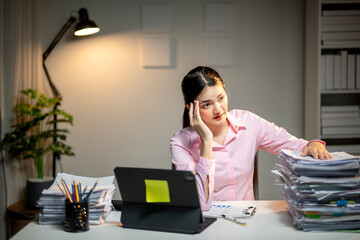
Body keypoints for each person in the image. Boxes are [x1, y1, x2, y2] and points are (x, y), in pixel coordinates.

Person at [170, 66, 332, 211]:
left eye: (221, 98)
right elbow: (202, 203)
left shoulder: (248, 122)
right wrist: (206, 140)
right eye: (207, 104)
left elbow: (297, 146)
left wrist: (314, 144)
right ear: (190, 108)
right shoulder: (180, 143)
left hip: (247, 223)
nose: (218, 109)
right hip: (208, 223)